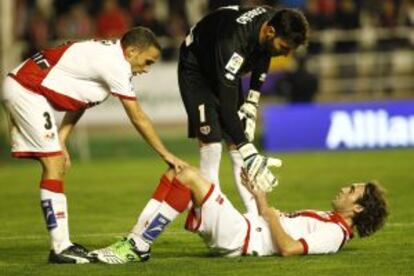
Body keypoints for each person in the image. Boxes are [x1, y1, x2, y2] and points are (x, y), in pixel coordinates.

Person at [1, 27, 187, 264]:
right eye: (146, 61)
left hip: (24, 87)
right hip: (27, 90)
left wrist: (62, 139)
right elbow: (137, 116)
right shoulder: (116, 65)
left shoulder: (109, 60)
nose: (147, 69)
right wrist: (166, 154)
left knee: (54, 162)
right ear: (131, 51)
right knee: (53, 163)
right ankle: (60, 248)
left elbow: (79, 102)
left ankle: (61, 246)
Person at [91, 166, 388, 263]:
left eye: (351, 190)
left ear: (358, 207)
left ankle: (138, 247)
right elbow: (273, 219)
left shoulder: (335, 234)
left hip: (241, 238)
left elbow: (288, 249)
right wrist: (259, 195)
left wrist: (270, 216)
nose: (344, 189)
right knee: (176, 173)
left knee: (191, 176)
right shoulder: (328, 217)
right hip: (245, 227)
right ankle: (134, 239)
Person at [178, 6, 309, 214]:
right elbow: (227, 109)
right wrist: (248, 149)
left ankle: (256, 217)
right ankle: (208, 215)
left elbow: (264, 53)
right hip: (197, 69)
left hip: (223, 65)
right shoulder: (232, 44)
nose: (285, 54)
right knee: (212, 143)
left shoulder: (271, 21)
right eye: (284, 47)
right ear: (270, 32)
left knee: (238, 146)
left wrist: (252, 100)